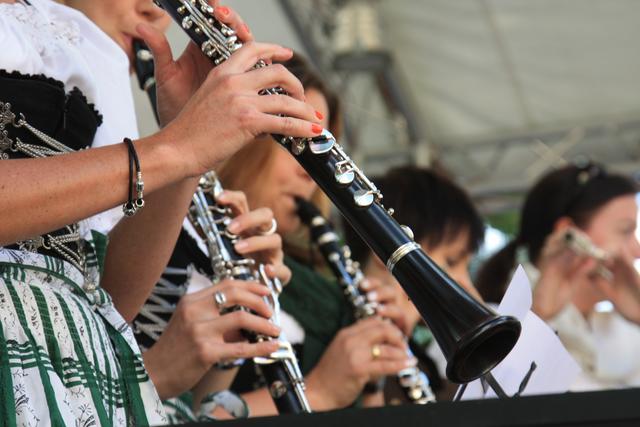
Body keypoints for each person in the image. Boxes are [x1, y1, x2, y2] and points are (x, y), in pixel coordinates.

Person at [0, 0, 323, 424]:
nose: (158, 12)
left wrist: (188, 155)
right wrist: (178, 148)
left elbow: (109, 296)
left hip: (73, 377)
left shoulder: (74, 38)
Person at [216, 54, 413, 415]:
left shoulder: (321, 285)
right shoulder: (174, 246)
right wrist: (320, 391)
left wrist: (372, 375)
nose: (310, 173)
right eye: (290, 138)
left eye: (318, 150)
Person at [476, 162, 640, 390]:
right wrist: (539, 316)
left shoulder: (622, 326)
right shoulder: (489, 320)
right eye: (625, 231)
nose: (637, 249)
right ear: (568, 232)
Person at [342, 165, 486, 401]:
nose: (466, 286)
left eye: (466, 268)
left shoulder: (424, 366)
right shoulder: (335, 348)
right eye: (451, 261)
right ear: (386, 248)